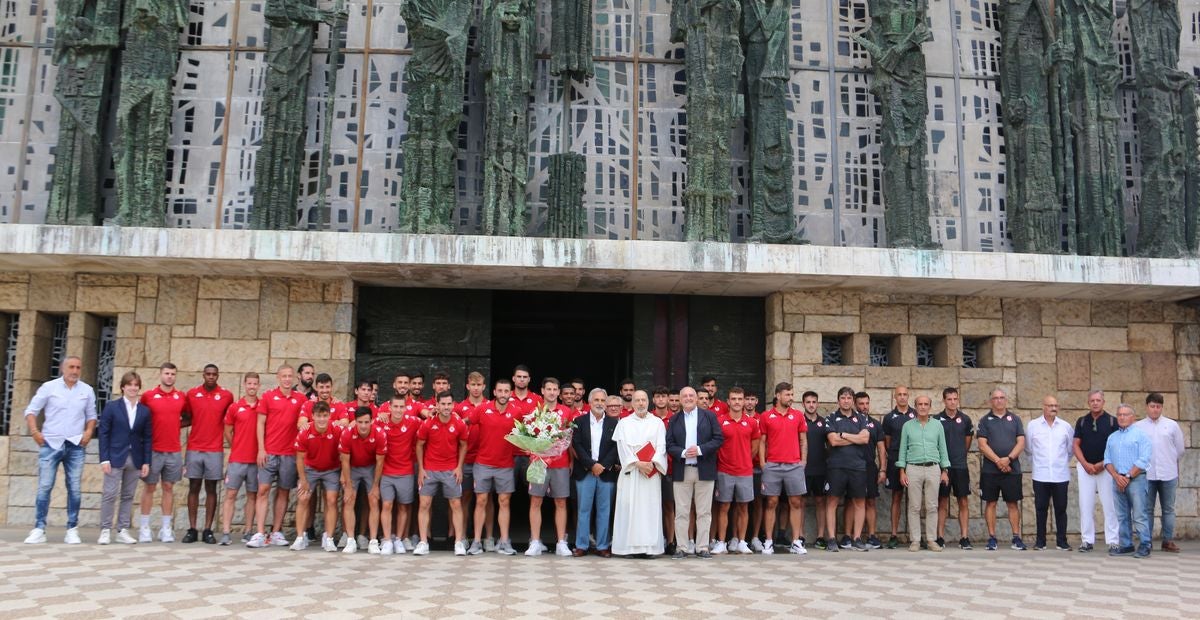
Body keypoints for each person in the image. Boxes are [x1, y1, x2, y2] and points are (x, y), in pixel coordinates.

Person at [247, 365, 305, 548]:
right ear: (278, 377)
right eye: (284, 376)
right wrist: (261, 449)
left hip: (289, 454)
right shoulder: (268, 397)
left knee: (283, 491)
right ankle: (260, 532)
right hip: (269, 452)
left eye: (290, 376)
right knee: (263, 490)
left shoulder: (301, 399)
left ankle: (276, 532)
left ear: (295, 378)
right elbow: (260, 424)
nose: (287, 379)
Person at [666, 386, 724, 559]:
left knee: (704, 511)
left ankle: (702, 547)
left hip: (704, 469)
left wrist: (700, 449)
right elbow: (668, 444)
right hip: (682, 470)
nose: (688, 398)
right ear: (680, 399)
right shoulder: (674, 419)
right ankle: (682, 547)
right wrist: (683, 453)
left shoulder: (709, 416)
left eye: (692, 395)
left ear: (697, 398)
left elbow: (718, 439)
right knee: (682, 511)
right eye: (685, 396)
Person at [466, 378, 522, 555]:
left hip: (505, 465)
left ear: (510, 393)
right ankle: (476, 542)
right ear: (494, 392)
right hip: (483, 464)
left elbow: (526, 434)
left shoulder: (517, 412)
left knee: (504, 502)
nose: (503, 394)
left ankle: (504, 542)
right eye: (500, 391)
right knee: (481, 501)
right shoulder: (482, 409)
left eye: (507, 391)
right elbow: (466, 423)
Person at [97, 371, 151, 545]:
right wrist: (104, 458)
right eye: (130, 385)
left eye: (136, 385)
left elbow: (148, 437)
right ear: (123, 387)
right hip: (115, 456)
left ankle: (122, 529)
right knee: (110, 494)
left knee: (128, 495)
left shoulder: (144, 411)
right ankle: (105, 529)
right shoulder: (112, 407)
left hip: (135, 457)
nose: (133, 388)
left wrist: (146, 461)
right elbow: (104, 434)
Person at [612, 390, 668, 556]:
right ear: (632, 403)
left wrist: (651, 463)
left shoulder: (657, 423)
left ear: (648, 402)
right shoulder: (624, 423)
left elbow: (661, 447)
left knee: (649, 509)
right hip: (632, 472)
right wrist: (637, 463)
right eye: (637, 400)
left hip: (650, 473)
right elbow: (622, 447)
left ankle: (649, 548)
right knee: (628, 508)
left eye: (643, 400)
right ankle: (627, 548)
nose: (641, 403)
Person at [138, 362, 188, 543]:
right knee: (150, 487)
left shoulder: (181, 397)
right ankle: (144, 526)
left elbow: (188, 416)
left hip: (173, 450)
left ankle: (166, 527)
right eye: (166, 373)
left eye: (173, 374)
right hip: (153, 450)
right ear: (160, 374)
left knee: (168, 487)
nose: (170, 377)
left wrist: (174, 425)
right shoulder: (149, 396)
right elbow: (140, 418)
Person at [182, 364, 233, 544]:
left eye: (214, 374)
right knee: (194, 486)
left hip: (214, 449)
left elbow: (230, 421)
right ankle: (192, 529)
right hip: (194, 447)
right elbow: (186, 417)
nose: (211, 377)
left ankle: (208, 530)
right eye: (208, 374)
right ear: (203, 375)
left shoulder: (226, 395)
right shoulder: (192, 394)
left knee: (211, 488)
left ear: (218, 376)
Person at [414, 391, 469, 555]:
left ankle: (458, 542)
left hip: (451, 470)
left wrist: (459, 467)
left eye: (449, 404)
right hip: (429, 470)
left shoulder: (459, 423)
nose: (446, 407)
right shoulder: (428, 423)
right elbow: (419, 445)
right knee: (424, 504)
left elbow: (464, 445)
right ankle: (423, 542)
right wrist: (421, 468)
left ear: (453, 405)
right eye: (443, 404)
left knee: (456, 505)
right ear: (437, 405)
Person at [757, 382, 807, 555]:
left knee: (795, 502)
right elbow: (762, 441)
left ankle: (795, 541)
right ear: (778, 396)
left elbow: (803, 440)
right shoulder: (766, 416)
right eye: (787, 394)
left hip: (794, 466)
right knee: (771, 502)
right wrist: (763, 463)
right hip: (773, 465)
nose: (791, 398)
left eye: (792, 394)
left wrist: (803, 462)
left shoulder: (798, 415)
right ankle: (769, 541)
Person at [526, 378, 573, 557]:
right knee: (536, 501)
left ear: (558, 392)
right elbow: (527, 436)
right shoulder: (534, 412)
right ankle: (535, 541)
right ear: (542, 391)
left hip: (560, 463)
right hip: (538, 462)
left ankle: (561, 542)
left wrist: (570, 461)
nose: (552, 392)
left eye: (555, 389)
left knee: (560, 501)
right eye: (549, 389)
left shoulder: (566, 411)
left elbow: (569, 438)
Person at [896, 395, 949, 551]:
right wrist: (902, 471)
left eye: (926, 404)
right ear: (915, 406)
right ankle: (915, 540)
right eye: (920, 404)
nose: (923, 407)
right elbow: (902, 449)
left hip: (933, 468)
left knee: (932, 506)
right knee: (914, 506)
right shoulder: (907, 426)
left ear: (930, 406)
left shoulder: (938, 425)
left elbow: (943, 448)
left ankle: (932, 540)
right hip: (913, 468)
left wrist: (945, 470)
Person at [570, 388, 620, 556]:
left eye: (602, 401)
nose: (599, 403)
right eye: (596, 400)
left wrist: (602, 466)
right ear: (589, 403)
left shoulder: (615, 423)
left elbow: (615, 448)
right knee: (583, 510)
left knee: (604, 510)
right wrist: (592, 465)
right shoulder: (579, 421)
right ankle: (581, 545)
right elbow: (577, 445)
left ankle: (602, 546)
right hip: (586, 472)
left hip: (606, 474)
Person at [1134, 392, 1185, 553]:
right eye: (1152, 406)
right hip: (1147, 474)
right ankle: (1146, 541)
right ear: (1147, 407)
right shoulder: (1138, 427)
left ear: (1162, 407)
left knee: (1168, 509)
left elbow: (1180, 449)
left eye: (1158, 406)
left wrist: (1168, 460)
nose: (1155, 410)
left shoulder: (1171, 425)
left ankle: (1167, 540)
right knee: (1147, 509)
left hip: (1168, 473)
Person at [977, 388, 1027, 551]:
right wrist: (999, 461)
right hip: (990, 471)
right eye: (995, 398)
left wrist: (1009, 459)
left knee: (1012, 503)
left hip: (1012, 469)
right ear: (990, 401)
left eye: (1002, 398)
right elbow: (982, 445)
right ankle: (992, 538)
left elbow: (1021, 442)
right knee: (990, 503)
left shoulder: (1015, 419)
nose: (999, 400)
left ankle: (1016, 537)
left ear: (1006, 400)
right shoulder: (985, 421)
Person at [823, 386, 870, 552]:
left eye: (849, 398)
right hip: (836, 466)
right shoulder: (831, 418)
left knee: (859, 502)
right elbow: (833, 441)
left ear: (852, 401)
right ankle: (831, 539)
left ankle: (857, 538)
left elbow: (865, 439)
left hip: (857, 466)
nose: (846, 401)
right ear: (838, 400)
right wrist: (855, 438)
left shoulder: (861, 418)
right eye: (843, 398)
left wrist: (843, 435)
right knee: (832, 501)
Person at [714, 386, 760, 554]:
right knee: (724, 507)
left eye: (740, 399)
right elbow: (716, 445)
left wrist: (744, 458)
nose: (737, 402)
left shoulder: (752, 422)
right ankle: (721, 542)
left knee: (743, 507)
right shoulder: (720, 421)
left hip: (745, 471)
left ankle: (742, 541)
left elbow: (755, 446)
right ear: (728, 401)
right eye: (734, 399)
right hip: (724, 470)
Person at [290, 402, 341, 552]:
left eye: (325, 416)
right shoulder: (305, 432)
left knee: (331, 500)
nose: (322, 419)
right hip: (310, 469)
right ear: (312, 416)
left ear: (329, 416)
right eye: (318, 416)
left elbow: (344, 454)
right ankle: (300, 537)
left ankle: (329, 538)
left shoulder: (337, 430)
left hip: (331, 469)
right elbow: (299, 458)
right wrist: (303, 480)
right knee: (303, 498)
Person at [1073, 389, 1119, 553]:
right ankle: (1087, 540)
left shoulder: (1113, 421)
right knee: (1085, 504)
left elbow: (1115, 447)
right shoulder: (1082, 421)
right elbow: (1076, 444)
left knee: (1110, 505)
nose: (1095, 403)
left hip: (1106, 468)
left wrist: (1101, 464)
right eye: (1092, 400)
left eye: (1098, 400)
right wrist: (1085, 464)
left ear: (1103, 402)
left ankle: (1113, 541)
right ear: (1088, 403)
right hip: (1086, 469)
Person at [1104, 404, 1153, 558]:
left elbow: (1143, 459)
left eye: (1125, 414)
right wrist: (1116, 476)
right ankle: (1126, 544)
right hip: (1117, 479)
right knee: (1122, 515)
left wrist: (1128, 476)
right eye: (1119, 415)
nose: (1122, 417)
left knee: (1139, 514)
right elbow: (1107, 459)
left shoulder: (1141, 435)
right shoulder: (1112, 437)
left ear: (1133, 417)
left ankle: (1145, 544)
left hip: (1136, 479)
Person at [1026, 395, 1074, 551]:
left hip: (1060, 475)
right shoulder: (1033, 426)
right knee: (1041, 509)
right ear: (1043, 407)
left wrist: (1059, 462)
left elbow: (1070, 450)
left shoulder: (1065, 427)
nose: (1053, 408)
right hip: (1040, 475)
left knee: (1061, 509)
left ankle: (1062, 541)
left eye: (1055, 405)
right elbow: (1028, 449)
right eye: (1050, 405)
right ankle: (1040, 542)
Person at [218, 372, 261, 545]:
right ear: (244, 385)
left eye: (255, 384)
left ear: (259, 386)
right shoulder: (235, 407)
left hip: (256, 460)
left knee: (252, 495)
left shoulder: (262, 406)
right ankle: (226, 532)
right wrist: (236, 445)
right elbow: (227, 430)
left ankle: (248, 530)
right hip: (237, 459)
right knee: (231, 494)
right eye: (249, 383)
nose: (252, 386)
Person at [339, 407, 387, 553]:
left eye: (367, 422)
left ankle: (373, 540)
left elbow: (380, 462)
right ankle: (350, 540)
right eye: (360, 422)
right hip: (352, 467)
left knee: (373, 500)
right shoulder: (347, 434)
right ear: (355, 422)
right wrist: (347, 485)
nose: (364, 426)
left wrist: (375, 485)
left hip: (371, 468)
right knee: (349, 500)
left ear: (372, 421)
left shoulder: (379, 433)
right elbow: (345, 461)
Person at [377, 393, 420, 555]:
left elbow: (431, 423)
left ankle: (399, 539)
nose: (398, 410)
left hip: (406, 471)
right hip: (387, 472)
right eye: (395, 406)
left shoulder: (413, 422)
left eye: (402, 407)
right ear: (389, 407)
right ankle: (387, 540)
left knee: (403, 507)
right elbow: (362, 424)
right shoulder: (381, 422)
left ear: (406, 408)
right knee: (387, 505)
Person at [935, 387, 974, 549]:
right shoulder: (936, 420)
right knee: (942, 502)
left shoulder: (965, 419)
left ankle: (964, 537)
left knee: (963, 501)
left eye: (955, 399)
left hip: (960, 467)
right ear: (944, 401)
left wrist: (959, 456)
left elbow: (967, 442)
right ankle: (940, 537)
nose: (952, 402)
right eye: (949, 399)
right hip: (942, 467)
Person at [454, 371, 489, 547]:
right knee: (465, 498)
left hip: (485, 460)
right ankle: (463, 538)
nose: (476, 388)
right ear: (468, 386)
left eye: (479, 385)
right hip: (466, 460)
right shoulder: (459, 408)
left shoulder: (490, 406)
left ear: (484, 386)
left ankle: (488, 537)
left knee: (487, 499)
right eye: (473, 385)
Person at [882, 385, 915, 549]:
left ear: (908, 396)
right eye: (899, 395)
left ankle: (916, 535)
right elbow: (887, 442)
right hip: (896, 460)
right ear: (895, 397)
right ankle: (894, 534)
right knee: (896, 497)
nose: (902, 397)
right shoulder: (889, 418)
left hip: (915, 460)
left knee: (917, 499)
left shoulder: (916, 414)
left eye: (905, 394)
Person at [852, 391, 885, 549]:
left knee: (871, 501)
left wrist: (883, 469)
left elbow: (881, 448)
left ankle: (872, 535)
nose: (864, 407)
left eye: (867, 403)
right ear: (855, 405)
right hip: (852, 467)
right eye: (861, 404)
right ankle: (850, 536)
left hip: (870, 467)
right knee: (852, 501)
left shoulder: (875, 424)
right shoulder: (850, 422)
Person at [799, 390, 829, 550]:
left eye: (814, 402)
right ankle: (800, 535)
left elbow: (830, 445)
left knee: (820, 501)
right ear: (803, 404)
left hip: (820, 469)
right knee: (801, 502)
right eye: (808, 402)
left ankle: (820, 536)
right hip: (803, 469)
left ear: (817, 404)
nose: (811, 405)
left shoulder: (824, 423)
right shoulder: (799, 421)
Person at [651, 385, 677, 553]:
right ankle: (653, 540)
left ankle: (671, 542)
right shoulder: (647, 418)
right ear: (653, 400)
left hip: (670, 468)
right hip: (650, 469)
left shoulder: (675, 419)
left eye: (663, 396)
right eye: (658, 396)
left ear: (668, 399)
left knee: (669, 506)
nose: (661, 399)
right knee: (651, 506)